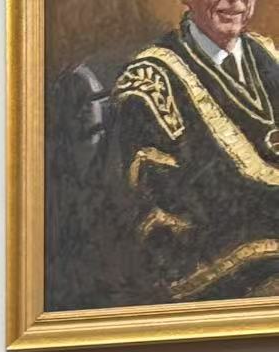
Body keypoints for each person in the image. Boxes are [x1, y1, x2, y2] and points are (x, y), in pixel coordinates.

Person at [113, 0, 279, 303]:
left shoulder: (265, 54)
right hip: (209, 254)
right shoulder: (149, 80)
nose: (235, 2)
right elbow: (177, 199)